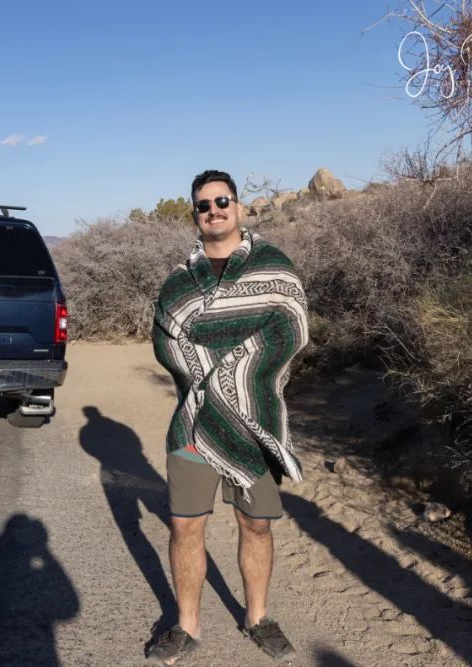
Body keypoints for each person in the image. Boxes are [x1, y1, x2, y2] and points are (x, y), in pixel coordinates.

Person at [147, 170, 310, 664]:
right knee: (184, 526)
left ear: (238, 207)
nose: (214, 210)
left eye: (222, 201)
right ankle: (186, 626)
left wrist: (225, 369)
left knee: (256, 525)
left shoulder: (273, 267)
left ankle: (257, 618)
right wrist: (222, 373)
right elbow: (166, 340)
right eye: (203, 205)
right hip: (194, 421)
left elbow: (290, 330)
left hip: (254, 419)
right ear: (194, 215)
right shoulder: (180, 281)